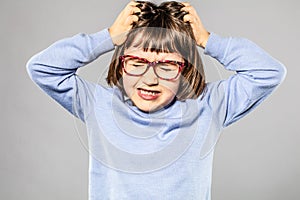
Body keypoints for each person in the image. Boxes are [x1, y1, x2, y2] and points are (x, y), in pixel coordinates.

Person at [26, 1, 286, 199]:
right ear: (120, 63)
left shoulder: (208, 106)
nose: (150, 79)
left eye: (167, 65)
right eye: (138, 62)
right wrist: (108, 36)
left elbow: (268, 73)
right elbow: (42, 68)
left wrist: (207, 40)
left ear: (185, 69)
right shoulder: (99, 104)